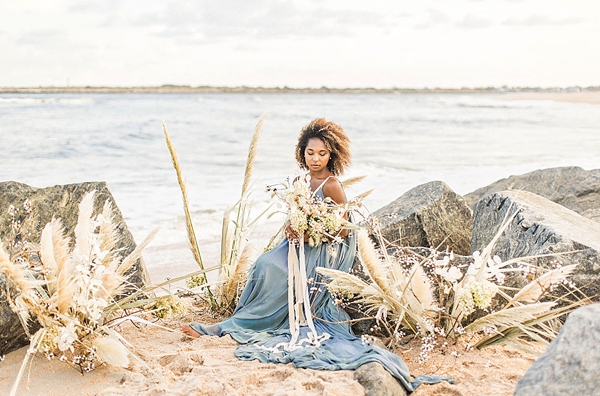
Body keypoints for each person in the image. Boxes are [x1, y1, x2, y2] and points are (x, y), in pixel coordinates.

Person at [181, 118, 450, 393]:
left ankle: (230, 327)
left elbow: (344, 231)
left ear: (332, 154)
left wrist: (311, 234)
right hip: (299, 243)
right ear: (302, 152)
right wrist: (292, 228)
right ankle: (240, 321)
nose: (316, 158)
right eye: (310, 153)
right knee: (264, 264)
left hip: (326, 249)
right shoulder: (300, 181)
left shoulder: (332, 185)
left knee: (280, 271)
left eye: (322, 153)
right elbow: (294, 216)